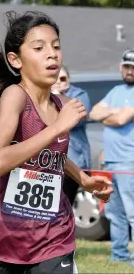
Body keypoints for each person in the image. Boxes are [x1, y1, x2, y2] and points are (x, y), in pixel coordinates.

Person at [0, 11, 113, 274]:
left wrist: (84, 179)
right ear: (15, 59)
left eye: (56, 46)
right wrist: (56, 127)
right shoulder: (15, 97)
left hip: (52, 238)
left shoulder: (61, 106)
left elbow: (51, 155)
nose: (52, 54)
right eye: (39, 48)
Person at [90, 49, 134, 265]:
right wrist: (114, 113)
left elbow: (121, 120)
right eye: (127, 66)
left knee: (133, 213)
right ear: (121, 67)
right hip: (111, 162)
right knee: (115, 213)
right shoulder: (116, 90)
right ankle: (119, 255)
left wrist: (110, 114)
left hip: (130, 163)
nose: (130, 71)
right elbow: (94, 113)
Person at [51, 65, 91, 203]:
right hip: (50, 158)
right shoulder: (44, 95)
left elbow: (76, 120)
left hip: (73, 158)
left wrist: (57, 96)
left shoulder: (79, 95)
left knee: (65, 201)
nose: (59, 82)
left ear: (69, 79)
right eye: (56, 78)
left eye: (63, 78)